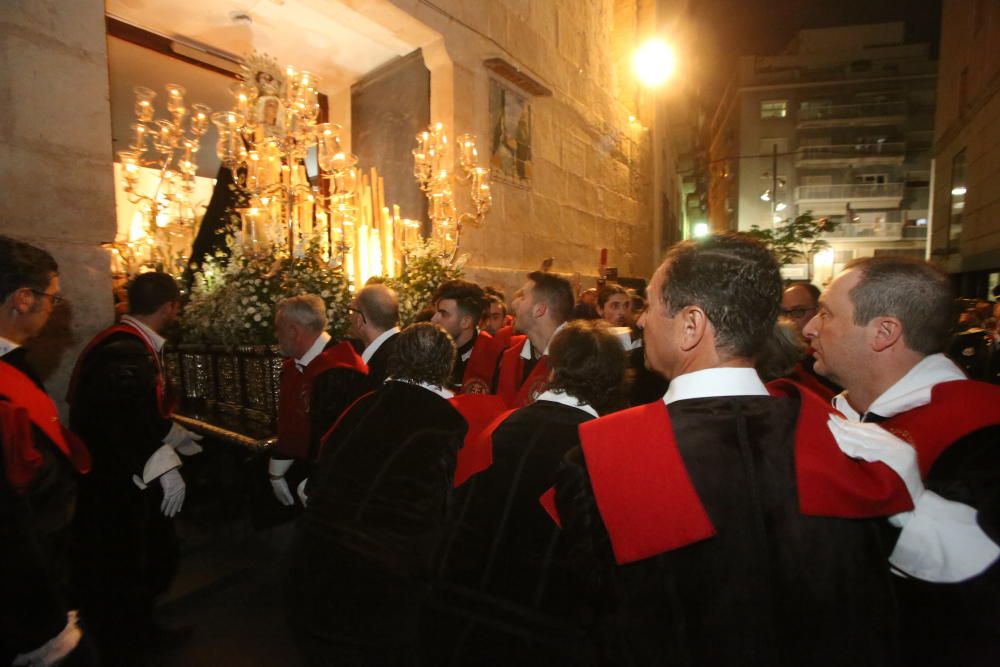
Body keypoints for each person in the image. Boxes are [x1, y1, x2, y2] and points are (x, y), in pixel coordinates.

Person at [555, 234, 915, 667]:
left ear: (692, 325)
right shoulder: (857, 448)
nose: (642, 321)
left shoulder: (602, 455)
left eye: (650, 305)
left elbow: (593, 624)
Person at [803, 256, 1000, 666]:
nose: (809, 328)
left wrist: (912, 510)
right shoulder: (833, 410)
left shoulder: (984, 429)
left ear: (884, 332)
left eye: (825, 313)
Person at [427, 320, 628, 665]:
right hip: (545, 633)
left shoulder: (500, 425)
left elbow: (455, 512)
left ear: (553, 369)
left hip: (460, 618)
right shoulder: (603, 450)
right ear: (614, 381)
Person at [285, 323, 467, 666]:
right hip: (375, 586)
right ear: (447, 367)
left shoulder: (362, 405)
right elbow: (435, 513)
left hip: (310, 566)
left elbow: (321, 475)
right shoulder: (445, 422)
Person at [69, 272, 201, 664]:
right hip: (119, 479)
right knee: (128, 559)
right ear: (170, 307)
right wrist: (165, 463)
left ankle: (137, 629)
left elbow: (137, 410)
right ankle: (129, 640)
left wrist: (170, 432)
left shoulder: (122, 344)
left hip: (117, 472)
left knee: (134, 557)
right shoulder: (125, 353)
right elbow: (123, 422)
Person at [0, 236, 90, 666]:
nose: (54, 309)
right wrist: (44, 625)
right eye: (52, 298)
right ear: (23, 298)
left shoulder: (14, 366)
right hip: (21, 596)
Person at [267, 295, 368, 507]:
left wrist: (314, 482)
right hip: (299, 471)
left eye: (279, 329)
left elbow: (338, 440)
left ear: (294, 331)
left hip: (328, 485)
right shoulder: (296, 366)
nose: (276, 335)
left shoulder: (340, 369)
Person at [494, 271, 573, 407]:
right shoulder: (510, 355)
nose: (514, 304)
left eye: (522, 297)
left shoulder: (577, 359)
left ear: (539, 310)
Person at [431, 280, 501, 393]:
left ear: (466, 322)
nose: (433, 319)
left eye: (443, 314)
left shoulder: (496, 358)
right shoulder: (428, 350)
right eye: (435, 313)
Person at [781, 281, 840, 400]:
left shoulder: (834, 356)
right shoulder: (779, 360)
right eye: (783, 313)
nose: (789, 320)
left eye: (798, 311)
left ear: (819, 311)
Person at [348, 284, 400, 388]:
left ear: (360, 319)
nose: (349, 317)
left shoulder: (384, 362)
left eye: (351, 311)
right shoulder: (406, 347)